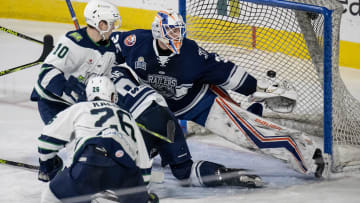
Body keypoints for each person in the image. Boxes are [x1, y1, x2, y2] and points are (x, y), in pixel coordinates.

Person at [110, 9, 326, 178]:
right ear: (158, 31)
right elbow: (108, 48)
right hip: (160, 110)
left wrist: (258, 88)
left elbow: (226, 72)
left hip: (200, 103)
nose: (178, 35)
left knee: (250, 134)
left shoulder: (191, 53)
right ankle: (154, 146)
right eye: (172, 31)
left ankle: (306, 153)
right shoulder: (136, 42)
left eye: (179, 30)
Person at [38, 76, 158, 203]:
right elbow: (144, 160)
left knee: (50, 196)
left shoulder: (81, 108)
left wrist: (48, 166)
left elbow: (46, 141)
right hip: (125, 169)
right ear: (112, 96)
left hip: (90, 163)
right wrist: (141, 192)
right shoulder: (127, 115)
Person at [30, 0, 122, 124]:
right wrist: (70, 89)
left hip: (78, 106)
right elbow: (46, 72)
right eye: (111, 24)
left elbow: (104, 79)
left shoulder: (110, 49)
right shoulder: (72, 42)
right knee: (64, 140)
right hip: (52, 102)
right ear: (101, 25)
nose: (113, 28)